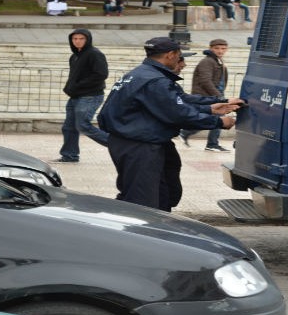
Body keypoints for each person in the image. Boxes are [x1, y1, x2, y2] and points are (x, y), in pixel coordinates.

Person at [97, 37, 242, 211]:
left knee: (161, 194)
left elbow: (178, 101)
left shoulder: (142, 74)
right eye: (180, 56)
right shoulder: (155, 81)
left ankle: (157, 230)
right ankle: (139, 235)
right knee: (142, 200)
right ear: (170, 55)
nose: (183, 63)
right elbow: (178, 113)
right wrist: (218, 121)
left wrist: (214, 105)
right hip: (139, 145)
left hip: (135, 142)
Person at [53, 29, 110, 163]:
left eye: (81, 38)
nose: (77, 41)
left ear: (88, 39)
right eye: (75, 39)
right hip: (75, 97)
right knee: (68, 127)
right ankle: (70, 155)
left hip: (90, 96)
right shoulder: (74, 56)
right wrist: (70, 88)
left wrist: (78, 85)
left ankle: (118, 144)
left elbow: (101, 74)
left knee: (83, 125)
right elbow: (74, 76)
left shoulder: (95, 54)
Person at [178, 39, 231, 152]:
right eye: (217, 48)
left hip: (214, 95)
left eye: (223, 48)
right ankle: (190, 134)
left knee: (215, 118)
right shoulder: (207, 61)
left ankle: (211, 143)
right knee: (213, 118)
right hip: (206, 96)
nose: (220, 51)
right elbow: (205, 81)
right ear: (211, 48)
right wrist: (219, 96)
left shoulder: (218, 61)